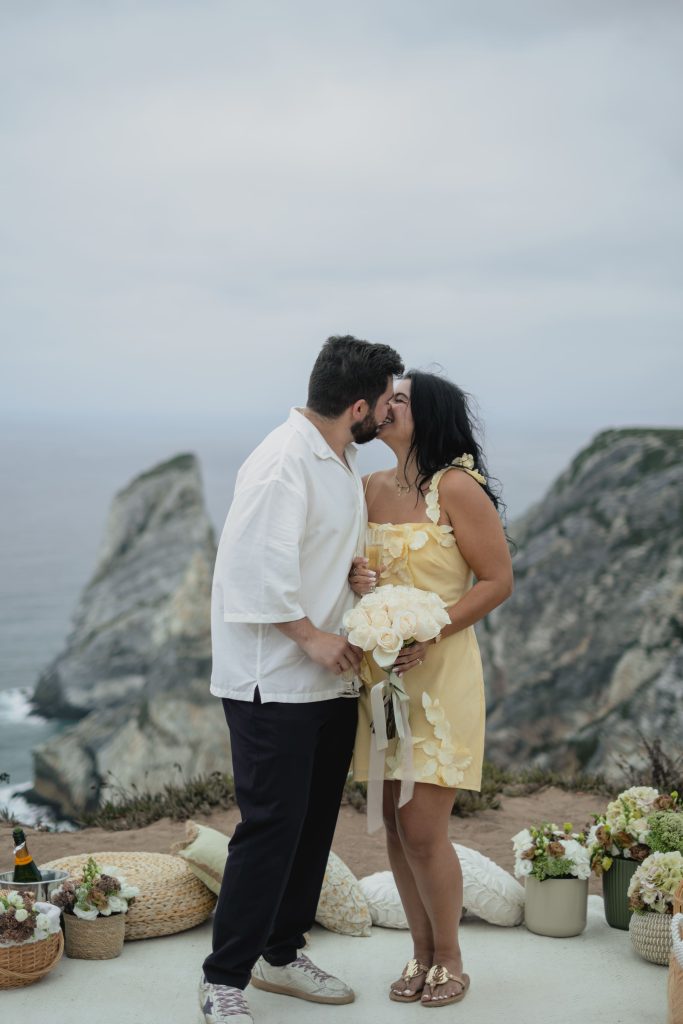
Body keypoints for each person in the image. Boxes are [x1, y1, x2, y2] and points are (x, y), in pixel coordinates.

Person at [199, 335, 404, 1024]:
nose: (388, 411)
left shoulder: (337, 459)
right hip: (272, 684)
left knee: (311, 826)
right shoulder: (282, 461)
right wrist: (312, 636)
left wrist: (354, 579)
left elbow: (312, 551)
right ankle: (223, 978)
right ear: (356, 406)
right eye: (384, 400)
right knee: (269, 828)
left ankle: (280, 956)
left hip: (324, 683)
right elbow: (252, 571)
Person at [350, 370, 513, 1009]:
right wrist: (358, 579)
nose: (387, 405)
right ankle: (419, 956)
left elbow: (496, 580)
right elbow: (351, 569)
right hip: (382, 677)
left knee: (422, 826)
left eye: (401, 399)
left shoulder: (456, 488)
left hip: (440, 673)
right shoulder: (366, 487)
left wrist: (434, 627)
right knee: (393, 822)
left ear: (428, 415)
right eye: (387, 396)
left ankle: (451, 958)